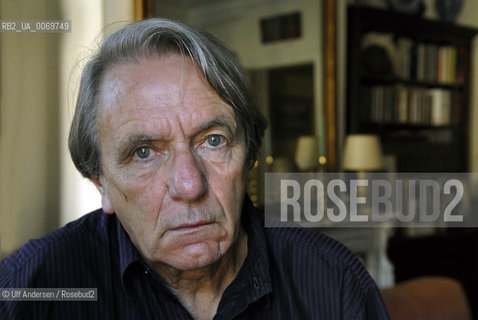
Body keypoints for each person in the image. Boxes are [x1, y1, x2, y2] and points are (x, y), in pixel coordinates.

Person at [0, 18, 390, 319]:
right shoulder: (31, 288)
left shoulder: (332, 280)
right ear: (101, 182)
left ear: (249, 153)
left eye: (213, 140)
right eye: (144, 153)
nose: (189, 185)